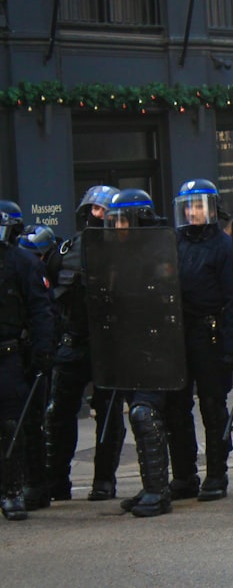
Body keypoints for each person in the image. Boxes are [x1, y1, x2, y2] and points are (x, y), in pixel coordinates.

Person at [43, 186, 127, 503]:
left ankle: (104, 479)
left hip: (109, 343)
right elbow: (49, 301)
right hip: (72, 342)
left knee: (108, 415)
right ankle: (57, 481)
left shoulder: (128, 252)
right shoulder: (65, 251)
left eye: (104, 210)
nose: (98, 215)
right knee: (59, 414)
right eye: (94, 209)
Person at [104, 189, 180, 517]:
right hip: (127, 347)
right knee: (138, 415)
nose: (118, 227)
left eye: (123, 219)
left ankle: (157, 491)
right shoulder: (113, 255)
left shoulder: (161, 251)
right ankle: (151, 484)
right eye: (114, 220)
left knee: (144, 413)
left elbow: (168, 299)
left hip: (158, 346)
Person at [162, 179, 233, 502]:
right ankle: (183, 475)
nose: (193, 213)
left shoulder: (222, 245)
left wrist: (232, 346)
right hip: (179, 332)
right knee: (176, 406)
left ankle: (216, 474)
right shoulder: (174, 242)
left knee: (212, 405)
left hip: (209, 333)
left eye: (199, 207)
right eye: (189, 207)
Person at [0, 208, 56, 520]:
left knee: (13, 425)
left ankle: (12, 491)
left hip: (9, 355)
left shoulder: (22, 263)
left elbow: (40, 309)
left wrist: (42, 352)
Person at [16, 224, 59, 511]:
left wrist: (43, 352)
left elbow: (45, 315)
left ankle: (37, 483)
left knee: (32, 421)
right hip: (17, 352)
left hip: (31, 353)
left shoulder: (34, 270)